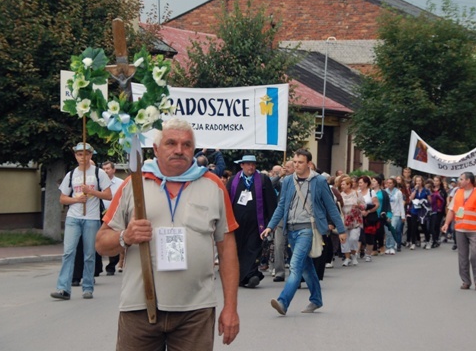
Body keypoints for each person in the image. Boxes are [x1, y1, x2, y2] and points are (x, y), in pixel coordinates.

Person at [96, 118, 240, 348]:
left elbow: (228, 251)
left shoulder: (213, 186)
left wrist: (231, 307)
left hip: (196, 312)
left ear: (194, 149)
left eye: (186, 145)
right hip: (139, 309)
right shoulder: (133, 184)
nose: (179, 150)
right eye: (171, 143)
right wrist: (126, 237)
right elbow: (101, 243)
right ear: (155, 148)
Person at [261, 149, 346, 316]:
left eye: (300, 162)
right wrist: (270, 226)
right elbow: (282, 205)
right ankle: (316, 299)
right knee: (306, 267)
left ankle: (283, 302)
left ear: (308, 164)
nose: (296, 165)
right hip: (291, 229)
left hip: (308, 229)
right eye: (295, 162)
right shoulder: (287, 181)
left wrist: (341, 229)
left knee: (295, 265)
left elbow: (330, 206)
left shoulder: (319, 181)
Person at [50, 143, 111, 301]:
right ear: (75, 156)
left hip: (91, 219)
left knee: (89, 254)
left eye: (85, 154)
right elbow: (63, 198)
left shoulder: (99, 173)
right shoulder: (71, 175)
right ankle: (63, 288)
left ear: (91, 155)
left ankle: (88, 287)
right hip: (73, 218)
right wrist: (76, 199)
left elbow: (108, 195)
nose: (82, 157)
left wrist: (91, 192)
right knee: (68, 253)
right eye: (79, 154)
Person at [227, 154, 277, 288]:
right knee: (239, 249)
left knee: (252, 248)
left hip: (256, 224)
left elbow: (271, 201)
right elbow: (226, 202)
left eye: (253, 164)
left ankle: (251, 275)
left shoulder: (263, 179)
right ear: (242, 165)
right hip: (237, 224)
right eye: (248, 164)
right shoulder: (233, 180)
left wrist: (272, 222)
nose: (251, 167)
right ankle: (244, 277)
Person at [441, 172, 476, 291]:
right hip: (460, 229)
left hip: (475, 229)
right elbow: (451, 210)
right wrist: (446, 223)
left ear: (468, 181)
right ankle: (466, 281)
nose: (459, 181)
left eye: (461, 179)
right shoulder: (458, 193)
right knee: (462, 257)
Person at [102, 161, 125, 275]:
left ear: (113, 170)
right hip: (100, 213)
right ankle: (97, 267)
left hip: (115, 214)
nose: (106, 171)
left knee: (114, 239)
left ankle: (112, 265)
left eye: (108, 169)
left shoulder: (121, 183)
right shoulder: (99, 182)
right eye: (104, 169)